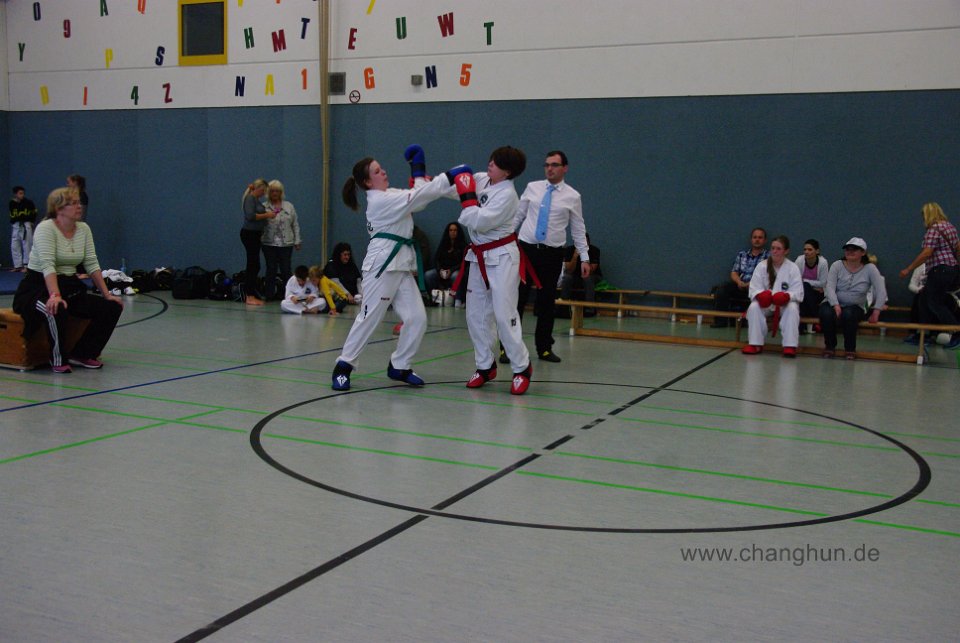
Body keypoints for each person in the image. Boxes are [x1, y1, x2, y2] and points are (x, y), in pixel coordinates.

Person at [331, 146, 452, 391]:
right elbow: (420, 196)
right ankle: (343, 366)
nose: (383, 172)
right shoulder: (380, 201)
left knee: (417, 318)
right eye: (377, 171)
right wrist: (450, 176)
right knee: (369, 317)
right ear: (368, 182)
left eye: (381, 168)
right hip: (382, 265)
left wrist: (418, 171)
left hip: (401, 265)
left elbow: (420, 198)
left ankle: (399, 365)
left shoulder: (391, 194)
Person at [446, 146, 534, 394]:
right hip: (478, 257)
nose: (490, 164)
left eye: (496, 163)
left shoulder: (508, 196)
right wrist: (428, 183)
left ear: (507, 172)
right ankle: (485, 366)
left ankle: (521, 367)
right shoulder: (483, 179)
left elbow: (478, 221)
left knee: (504, 315)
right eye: (491, 160)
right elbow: (456, 188)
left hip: (502, 257)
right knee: (475, 315)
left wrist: (467, 197)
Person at [12, 187, 123, 373]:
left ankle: (83, 353)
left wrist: (107, 294)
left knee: (111, 307)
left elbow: (91, 263)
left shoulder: (84, 229)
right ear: (59, 209)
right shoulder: (45, 228)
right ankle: (58, 358)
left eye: (79, 203)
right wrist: (54, 296)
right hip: (36, 288)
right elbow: (48, 265)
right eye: (72, 204)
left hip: (68, 285)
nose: (79, 207)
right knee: (55, 308)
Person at [506, 150, 590, 364]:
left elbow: (578, 228)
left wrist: (584, 257)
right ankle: (507, 347)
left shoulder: (573, 196)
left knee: (546, 302)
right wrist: (504, 240)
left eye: (554, 165)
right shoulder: (532, 188)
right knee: (517, 299)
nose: (549, 169)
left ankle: (544, 347)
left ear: (565, 168)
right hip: (526, 250)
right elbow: (518, 216)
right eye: (547, 165)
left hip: (552, 253)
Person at [898, 202, 960, 349]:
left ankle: (956, 331)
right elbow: (958, 247)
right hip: (951, 269)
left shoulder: (933, 230)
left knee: (934, 302)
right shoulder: (950, 227)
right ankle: (923, 332)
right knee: (924, 299)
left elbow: (927, 253)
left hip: (939, 269)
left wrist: (908, 269)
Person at [819, 237, 887, 360]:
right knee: (826, 313)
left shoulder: (870, 269)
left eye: (854, 249)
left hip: (856, 306)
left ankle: (850, 349)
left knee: (849, 314)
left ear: (863, 252)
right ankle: (829, 346)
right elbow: (829, 287)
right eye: (847, 249)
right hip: (833, 303)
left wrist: (876, 311)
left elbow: (881, 290)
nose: (850, 252)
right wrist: (835, 304)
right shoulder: (837, 265)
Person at [741, 235, 804, 357]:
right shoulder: (762, 266)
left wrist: (787, 296)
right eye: (773, 248)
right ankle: (755, 344)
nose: (774, 251)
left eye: (778, 249)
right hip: (767, 303)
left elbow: (798, 292)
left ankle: (789, 346)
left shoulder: (793, 268)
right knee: (753, 307)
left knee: (792, 308)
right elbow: (754, 288)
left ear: (786, 251)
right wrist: (760, 295)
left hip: (784, 304)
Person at [712, 227, 769, 327]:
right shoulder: (742, 255)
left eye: (760, 237)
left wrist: (751, 284)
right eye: (755, 237)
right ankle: (721, 322)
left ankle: (751, 322)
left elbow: (767, 276)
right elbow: (734, 272)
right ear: (751, 239)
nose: (757, 240)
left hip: (757, 288)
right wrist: (739, 282)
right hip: (740, 286)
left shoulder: (769, 257)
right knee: (722, 289)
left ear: (765, 240)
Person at [261, 180, 301, 301]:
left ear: (281, 192)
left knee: (286, 269)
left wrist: (297, 240)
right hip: (268, 243)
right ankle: (269, 295)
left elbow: (295, 224)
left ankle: (289, 295)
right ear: (268, 192)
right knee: (271, 269)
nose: (275, 193)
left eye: (277, 191)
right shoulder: (264, 207)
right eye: (272, 191)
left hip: (286, 243)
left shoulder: (289, 206)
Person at [239, 178, 276, 306]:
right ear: (258, 188)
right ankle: (249, 296)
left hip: (255, 234)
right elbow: (250, 216)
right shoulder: (250, 199)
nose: (264, 193)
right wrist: (267, 215)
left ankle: (251, 292)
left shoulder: (256, 200)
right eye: (263, 190)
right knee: (253, 264)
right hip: (249, 234)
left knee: (255, 264)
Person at [559, 232, 601, 316]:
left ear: (588, 242)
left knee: (587, 278)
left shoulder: (594, 250)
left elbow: (591, 270)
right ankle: (563, 307)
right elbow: (568, 270)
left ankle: (589, 308)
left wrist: (585, 256)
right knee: (567, 278)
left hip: (592, 275)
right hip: (574, 276)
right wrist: (575, 256)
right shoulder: (569, 250)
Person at [424, 221, 467, 295]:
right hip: (442, 270)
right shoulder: (444, 244)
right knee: (428, 275)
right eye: (451, 230)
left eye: (455, 230)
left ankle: (457, 298)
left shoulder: (463, 246)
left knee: (455, 276)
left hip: (455, 270)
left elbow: (464, 262)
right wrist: (440, 270)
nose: (453, 232)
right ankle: (434, 296)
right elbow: (437, 259)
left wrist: (451, 270)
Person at [794, 238, 828, 319]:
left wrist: (804, 281)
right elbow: (795, 280)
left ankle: (813, 317)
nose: (806, 252)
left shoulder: (823, 262)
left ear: (817, 251)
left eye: (810, 249)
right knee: (805, 288)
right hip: (802, 291)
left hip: (818, 293)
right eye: (805, 249)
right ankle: (814, 315)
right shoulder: (799, 260)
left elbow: (823, 283)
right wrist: (810, 285)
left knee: (805, 286)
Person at [10, 186, 38, 272]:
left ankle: (27, 265)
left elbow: (34, 212)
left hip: (26, 224)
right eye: (20, 193)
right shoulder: (11, 203)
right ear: (15, 194)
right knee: (14, 245)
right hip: (16, 225)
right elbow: (12, 215)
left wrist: (32, 221)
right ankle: (18, 265)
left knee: (27, 245)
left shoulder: (28, 202)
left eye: (23, 193)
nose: (22, 195)